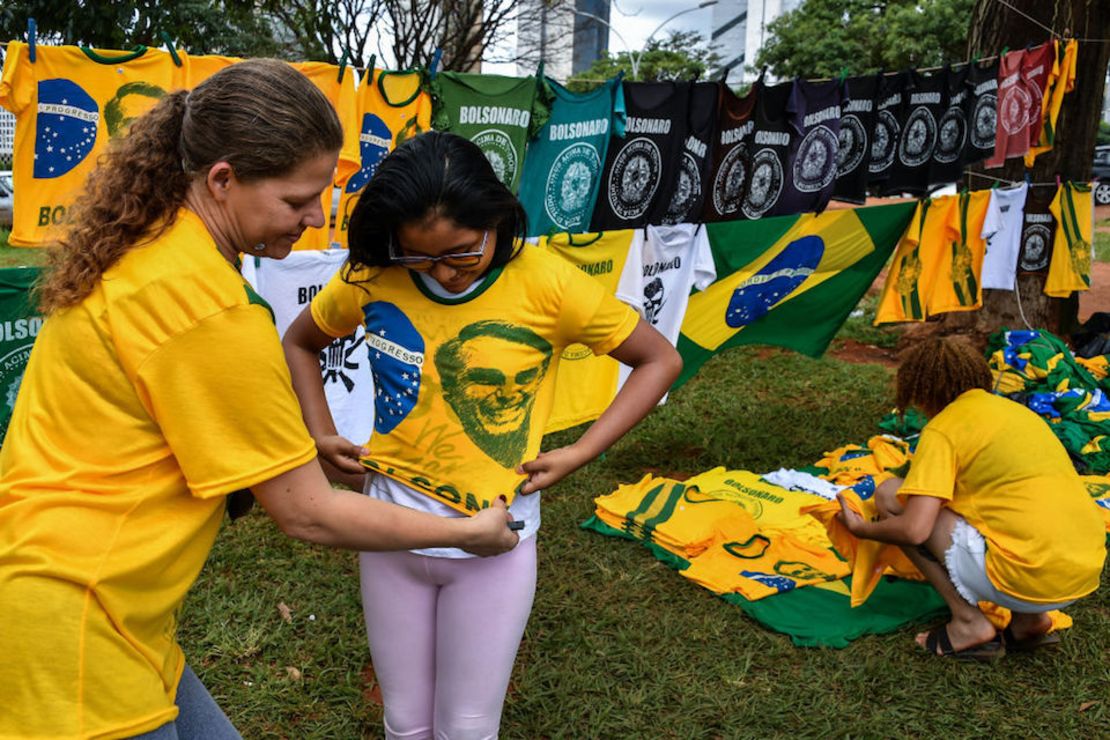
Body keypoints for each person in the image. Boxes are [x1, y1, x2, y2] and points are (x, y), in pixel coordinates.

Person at [0, 60, 518, 740]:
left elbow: (172, 413)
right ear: (223, 180)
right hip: (75, 626)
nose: (314, 219)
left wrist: (300, 448)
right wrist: (464, 534)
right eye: (298, 200)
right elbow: (310, 515)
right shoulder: (204, 306)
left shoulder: (153, 248)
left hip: (94, 600)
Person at [283, 130, 682, 737]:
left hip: (496, 544)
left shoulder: (547, 282)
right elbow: (301, 341)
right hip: (390, 532)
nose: (442, 273)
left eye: (463, 252)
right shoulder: (375, 275)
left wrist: (579, 452)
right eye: (420, 256)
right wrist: (321, 431)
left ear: (497, 218)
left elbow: (659, 360)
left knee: (468, 727)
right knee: (404, 722)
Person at [837, 336, 1106, 661]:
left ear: (920, 391)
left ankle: (968, 623)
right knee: (1009, 516)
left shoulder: (944, 428)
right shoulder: (1017, 412)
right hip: (1082, 569)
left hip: (1027, 576)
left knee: (890, 495)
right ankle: (1030, 622)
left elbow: (915, 531)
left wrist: (862, 529)